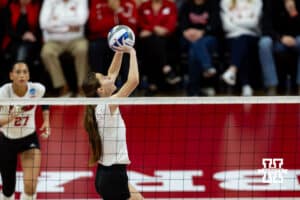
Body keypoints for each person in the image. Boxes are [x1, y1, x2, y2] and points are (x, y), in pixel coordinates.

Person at [82, 40, 143, 200]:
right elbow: (133, 81)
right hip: (114, 176)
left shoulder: (99, 105)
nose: (109, 78)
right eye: (104, 78)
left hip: (107, 174)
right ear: (101, 90)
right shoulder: (106, 106)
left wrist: (119, 49)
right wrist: (132, 53)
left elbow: (113, 71)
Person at [0, 62, 50, 200]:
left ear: (28, 75)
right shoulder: (3, 93)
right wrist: (12, 116)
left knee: (31, 186)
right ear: (11, 75)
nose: (22, 75)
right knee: (8, 190)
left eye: (25, 72)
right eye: (18, 72)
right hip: (6, 141)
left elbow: (45, 100)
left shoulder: (36, 89)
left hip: (29, 140)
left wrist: (46, 120)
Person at [39, 0, 89, 97]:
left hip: (76, 39)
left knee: (82, 49)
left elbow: (81, 20)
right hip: (54, 41)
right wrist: (67, 27)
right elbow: (43, 24)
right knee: (46, 52)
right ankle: (62, 86)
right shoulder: (49, 1)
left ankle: (81, 86)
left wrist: (55, 21)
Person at [220, 0, 262, 96]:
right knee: (241, 42)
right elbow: (226, 26)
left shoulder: (256, 1)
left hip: (252, 36)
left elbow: (254, 23)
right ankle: (246, 85)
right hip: (231, 37)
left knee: (243, 40)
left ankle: (232, 71)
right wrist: (245, 22)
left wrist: (235, 21)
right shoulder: (225, 2)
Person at [258, 0, 300, 95]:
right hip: (277, 41)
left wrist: (293, 13)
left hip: (296, 41)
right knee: (264, 43)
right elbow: (265, 27)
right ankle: (271, 85)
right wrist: (281, 38)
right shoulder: (270, 2)